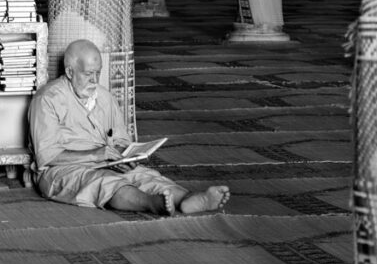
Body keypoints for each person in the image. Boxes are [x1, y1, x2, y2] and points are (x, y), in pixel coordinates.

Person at [29, 38, 230, 216]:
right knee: (106, 182)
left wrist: (127, 159)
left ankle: (188, 199)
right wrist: (96, 155)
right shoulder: (48, 99)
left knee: (145, 176)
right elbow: (47, 156)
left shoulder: (104, 97)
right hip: (63, 170)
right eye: (89, 74)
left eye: (98, 73)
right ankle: (151, 204)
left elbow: (122, 141)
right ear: (70, 72)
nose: (95, 81)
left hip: (107, 161)